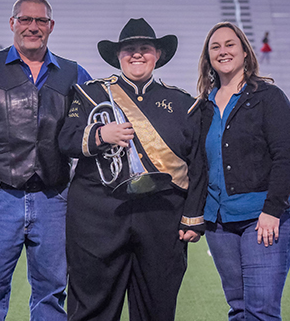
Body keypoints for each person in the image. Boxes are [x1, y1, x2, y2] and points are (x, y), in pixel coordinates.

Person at [0, 0, 91, 320]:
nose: (33, 27)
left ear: (51, 26)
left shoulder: (74, 74)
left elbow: (92, 131)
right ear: (13, 23)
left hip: (54, 198)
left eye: (40, 21)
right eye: (25, 19)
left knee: (52, 294)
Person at [58, 18, 206, 320]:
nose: (137, 55)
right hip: (98, 218)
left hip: (161, 221)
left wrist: (192, 217)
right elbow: (66, 139)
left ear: (158, 55)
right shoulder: (90, 94)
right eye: (129, 50)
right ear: (118, 56)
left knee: (157, 308)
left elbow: (199, 165)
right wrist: (101, 135)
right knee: (92, 308)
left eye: (145, 49)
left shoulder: (184, 103)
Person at [196, 22, 290, 320]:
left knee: (260, 312)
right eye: (215, 47)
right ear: (208, 58)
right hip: (219, 223)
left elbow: (287, 155)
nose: (223, 51)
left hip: (263, 217)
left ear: (245, 51)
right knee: (239, 309)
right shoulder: (203, 106)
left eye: (230, 44)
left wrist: (272, 210)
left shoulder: (269, 96)